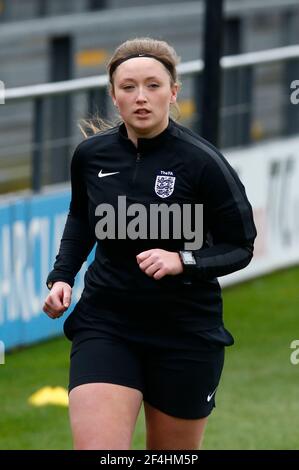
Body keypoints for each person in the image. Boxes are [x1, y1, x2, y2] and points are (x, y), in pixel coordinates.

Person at [43, 37, 257, 450]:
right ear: (113, 95)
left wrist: (184, 260)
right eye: (128, 87)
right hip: (106, 323)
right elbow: (81, 217)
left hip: (185, 333)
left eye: (153, 86)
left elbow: (240, 245)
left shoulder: (203, 163)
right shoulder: (90, 155)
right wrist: (62, 276)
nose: (141, 97)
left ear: (174, 92)